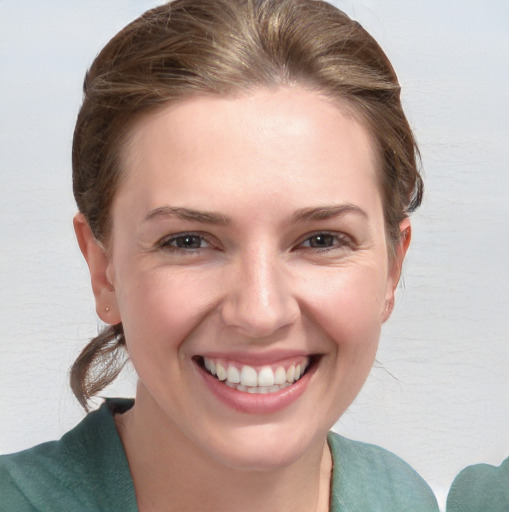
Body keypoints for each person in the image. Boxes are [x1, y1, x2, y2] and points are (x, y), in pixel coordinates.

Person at [0, 0, 440, 510]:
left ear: (392, 269)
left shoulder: (408, 497)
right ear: (104, 272)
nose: (260, 313)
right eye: (187, 241)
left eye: (321, 240)